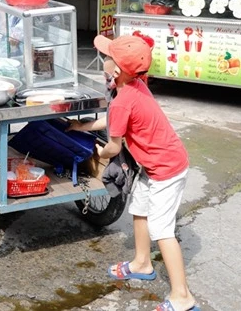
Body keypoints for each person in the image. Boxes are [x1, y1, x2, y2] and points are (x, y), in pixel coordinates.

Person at [68, 34, 200, 311]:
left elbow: (113, 147)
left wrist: (95, 151)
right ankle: (142, 262)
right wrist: (84, 127)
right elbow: (115, 120)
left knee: (162, 230)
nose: (102, 60)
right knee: (139, 210)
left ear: (116, 70)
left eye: (108, 57)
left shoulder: (122, 100)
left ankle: (182, 297)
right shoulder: (135, 86)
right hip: (153, 166)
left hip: (167, 169)